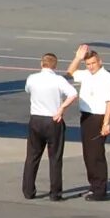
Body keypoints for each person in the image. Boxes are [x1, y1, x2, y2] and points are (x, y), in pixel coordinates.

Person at [23, 52, 77, 200]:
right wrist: (62, 109)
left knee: (32, 156)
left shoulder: (32, 78)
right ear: (55, 65)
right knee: (55, 158)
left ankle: (28, 190)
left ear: (42, 64)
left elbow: (27, 90)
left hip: (36, 119)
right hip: (53, 120)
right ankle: (55, 193)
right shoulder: (58, 80)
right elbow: (73, 94)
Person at [68, 44, 110, 201]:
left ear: (100, 62)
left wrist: (106, 123)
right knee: (88, 154)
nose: (91, 67)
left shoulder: (108, 78)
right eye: (88, 64)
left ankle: (100, 191)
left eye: (93, 63)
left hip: (98, 118)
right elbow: (71, 72)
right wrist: (77, 58)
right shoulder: (87, 74)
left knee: (96, 155)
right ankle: (94, 186)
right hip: (86, 117)